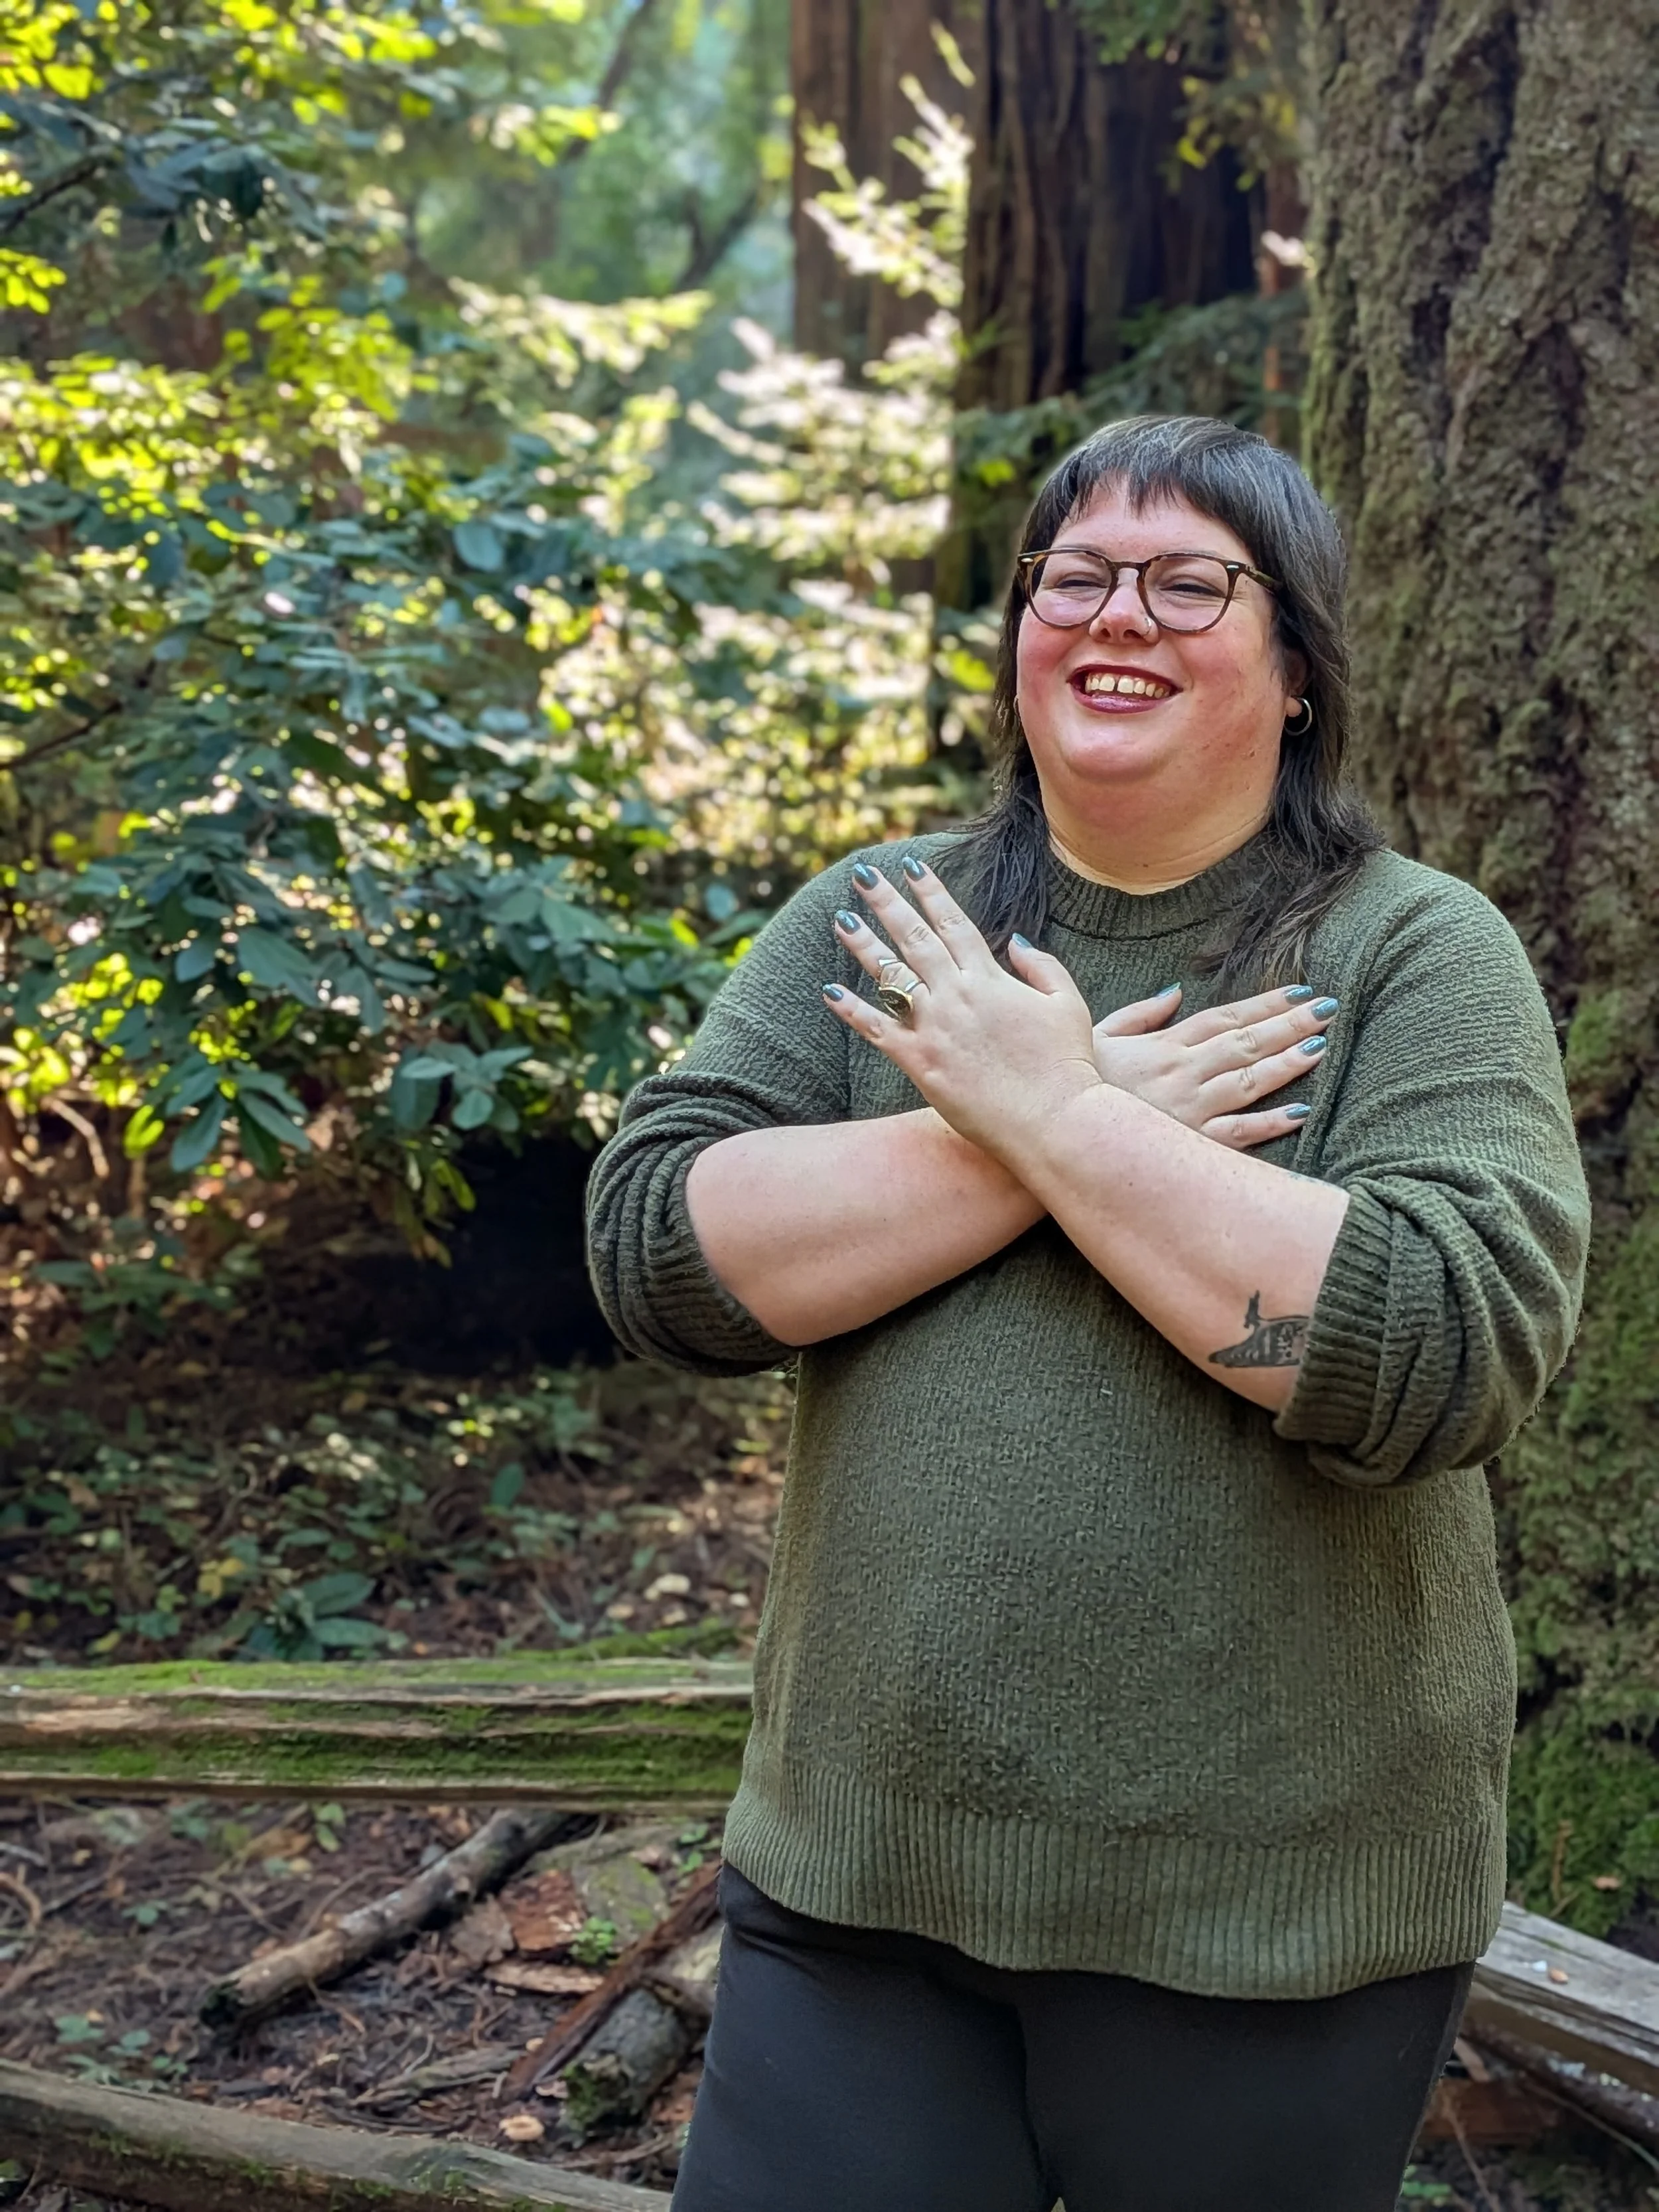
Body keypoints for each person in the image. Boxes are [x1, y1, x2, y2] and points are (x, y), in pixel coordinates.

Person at [584, 414, 1591, 2212]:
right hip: (858, 1880)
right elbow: (662, 1249)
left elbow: (1446, 1350)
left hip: (1273, 1925)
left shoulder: (1414, 953)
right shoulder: (883, 925)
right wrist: (1033, 1124)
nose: (1116, 614)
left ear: (1297, 665)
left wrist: (1054, 1110)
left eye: (1189, 581)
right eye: (1073, 576)